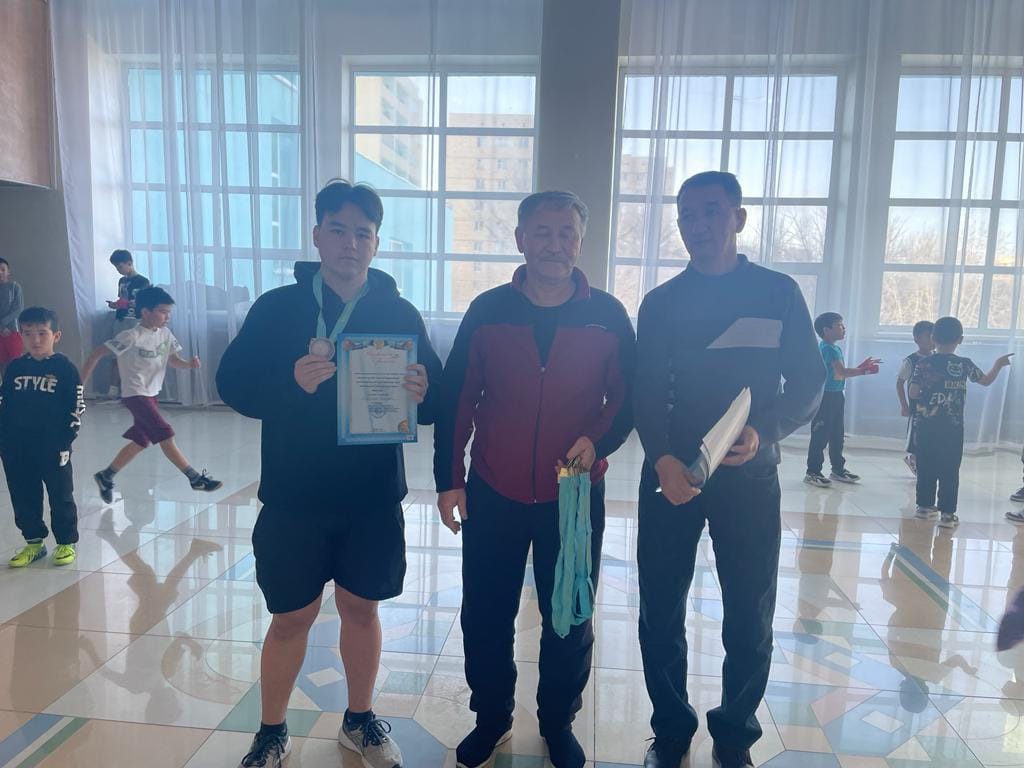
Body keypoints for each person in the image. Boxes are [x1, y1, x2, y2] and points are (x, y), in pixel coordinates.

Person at [217, 180, 442, 768]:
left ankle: (359, 720)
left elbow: (436, 398)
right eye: (338, 230)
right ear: (317, 235)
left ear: (376, 243)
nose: (350, 243)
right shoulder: (277, 308)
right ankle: (271, 730)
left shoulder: (398, 312)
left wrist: (424, 389)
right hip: (295, 494)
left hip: (371, 497)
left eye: (362, 233)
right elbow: (231, 385)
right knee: (291, 616)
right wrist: (288, 382)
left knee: (362, 609)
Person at [434, 191, 635, 768]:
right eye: (542, 232)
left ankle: (557, 722)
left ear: (580, 241)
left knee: (568, 614)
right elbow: (458, 397)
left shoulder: (607, 315)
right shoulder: (489, 310)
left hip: (573, 493)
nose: (554, 244)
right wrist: (449, 478)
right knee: (486, 612)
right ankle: (491, 717)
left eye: (566, 232)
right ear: (521, 239)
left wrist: (597, 441)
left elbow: (626, 399)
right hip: (493, 489)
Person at [634, 171, 825, 768]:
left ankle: (735, 733)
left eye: (712, 212)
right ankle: (671, 729)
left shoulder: (777, 293)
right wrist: (661, 458)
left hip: (749, 475)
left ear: (739, 218)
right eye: (688, 215)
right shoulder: (662, 302)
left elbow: (810, 382)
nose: (699, 225)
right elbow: (644, 389)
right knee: (660, 608)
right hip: (670, 475)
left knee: (749, 611)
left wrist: (764, 432)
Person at [81, 286, 223, 502]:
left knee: (141, 440)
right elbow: (96, 354)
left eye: (169, 312)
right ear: (146, 312)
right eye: (163, 312)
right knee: (165, 434)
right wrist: (78, 387)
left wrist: (189, 364)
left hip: (151, 393)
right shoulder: (131, 336)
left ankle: (106, 475)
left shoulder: (165, 334)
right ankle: (195, 478)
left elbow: (173, 360)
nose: (167, 317)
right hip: (135, 394)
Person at [909, 316, 1011, 529]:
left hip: (926, 425)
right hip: (952, 426)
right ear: (960, 339)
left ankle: (924, 507)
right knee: (950, 467)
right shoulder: (964, 364)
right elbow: (985, 381)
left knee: (925, 465)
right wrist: (998, 364)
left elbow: (913, 392)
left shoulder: (923, 363)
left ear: (933, 338)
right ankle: (947, 514)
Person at [0, 307, 84, 567]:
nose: (35, 340)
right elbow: (4, 403)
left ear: (55, 335)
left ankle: (66, 542)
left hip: (53, 445)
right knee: (23, 493)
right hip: (16, 445)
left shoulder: (65, 369)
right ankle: (34, 542)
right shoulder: (15, 368)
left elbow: (76, 407)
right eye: (28, 334)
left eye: (42, 333)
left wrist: (65, 440)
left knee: (60, 493)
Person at [803, 312, 880, 488]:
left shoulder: (834, 348)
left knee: (837, 434)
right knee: (820, 435)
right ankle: (812, 472)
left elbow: (838, 373)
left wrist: (861, 367)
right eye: (839, 325)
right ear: (826, 330)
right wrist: (864, 371)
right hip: (826, 397)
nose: (843, 328)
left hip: (837, 395)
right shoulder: (828, 349)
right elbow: (841, 373)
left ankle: (838, 469)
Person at [105, 249, 151, 397]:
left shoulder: (143, 281)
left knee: (136, 356)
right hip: (121, 321)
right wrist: (116, 305)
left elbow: (143, 303)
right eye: (116, 267)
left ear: (129, 263)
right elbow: (122, 300)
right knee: (116, 355)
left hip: (135, 322)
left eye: (120, 266)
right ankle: (113, 389)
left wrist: (126, 304)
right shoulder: (122, 281)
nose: (118, 270)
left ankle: (137, 389)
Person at [895, 320, 935, 476]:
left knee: (931, 434)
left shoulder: (938, 359)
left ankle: (925, 460)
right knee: (915, 435)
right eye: (928, 336)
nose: (932, 340)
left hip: (934, 406)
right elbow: (900, 383)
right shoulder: (910, 361)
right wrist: (904, 405)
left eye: (934, 336)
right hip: (916, 406)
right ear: (917, 338)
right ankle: (913, 458)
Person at [0, 258, 25, 375]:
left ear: (8, 272)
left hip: (12, 333)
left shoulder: (14, 287)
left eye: (2, 269)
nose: (0, 272)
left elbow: (18, 309)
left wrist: (3, 324)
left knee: (14, 366)